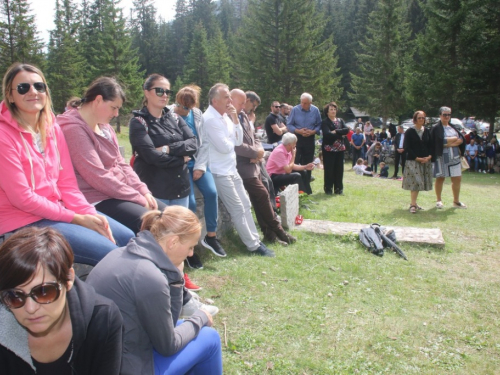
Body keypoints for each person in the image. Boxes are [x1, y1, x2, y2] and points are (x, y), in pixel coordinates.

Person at [0, 63, 133, 265]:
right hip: (22, 221)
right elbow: (22, 198)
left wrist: (89, 214)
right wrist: (76, 218)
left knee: (127, 237)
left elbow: (67, 183)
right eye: (23, 88)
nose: (33, 92)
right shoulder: (4, 135)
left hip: (57, 210)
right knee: (111, 255)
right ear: (10, 96)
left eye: (39, 86)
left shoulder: (51, 127)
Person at [86, 206, 222, 375]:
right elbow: (168, 346)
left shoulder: (121, 253)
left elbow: (167, 327)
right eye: (190, 247)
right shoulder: (149, 276)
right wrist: (200, 317)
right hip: (126, 367)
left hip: (102, 361)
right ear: (172, 242)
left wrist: (175, 281)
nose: (190, 253)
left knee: (189, 332)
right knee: (210, 338)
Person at [0, 226, 123, 374]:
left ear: (68, 279)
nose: (30, 308)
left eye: (43, 292)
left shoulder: (102, 319)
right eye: (15, 296)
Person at [58, 77, 166, 234]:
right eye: (113, 108)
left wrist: (143, 191)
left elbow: (121, 164)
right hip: (97, 198)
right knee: (156, 225)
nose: (116, 114)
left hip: (119, 193)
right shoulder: (74, 130)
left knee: (171, 217)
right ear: (98, 100)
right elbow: (96, 175)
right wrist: (137, 197)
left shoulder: (105, 128)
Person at [203, 83, 275, 257]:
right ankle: (252, 246)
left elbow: (237, 141)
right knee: (236, 207)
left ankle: (256, 240)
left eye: (229, 96)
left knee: (245, 204)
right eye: (226, 97)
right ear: (215, 100)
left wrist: (235, 120)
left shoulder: (226, 117)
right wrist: (231, 138)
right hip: (219, 171)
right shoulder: (210, 119)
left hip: (231, 168)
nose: (229, 100)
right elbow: (225, 147)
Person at [171, 85, 226, 268]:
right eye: (183, 107)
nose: (186, 111)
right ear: (177, 102)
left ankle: (211, 236)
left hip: (199, 162)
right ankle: (189, 249)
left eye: (190, 107)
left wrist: (201, 167)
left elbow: (203, 143)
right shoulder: (169, 114)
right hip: (180, 164)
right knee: (191, 204)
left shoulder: (197, 115)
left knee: (211, 193)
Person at [232, 89, 296, 245]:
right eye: (252, 105)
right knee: (261, 194)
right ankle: (279, 231)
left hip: (254, 162)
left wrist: (259, 151)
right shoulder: (231, 117)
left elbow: (254, 137)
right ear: (245, 100)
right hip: (242, 164)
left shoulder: (244, 117)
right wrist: (255, 153)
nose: (253, 109)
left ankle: (270, 235)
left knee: (262, 194)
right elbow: (235, 144)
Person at [129, 74, 197, 207]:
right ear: (147, 93)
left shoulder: (176, 118)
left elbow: (193, 144)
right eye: (159, 91)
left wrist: (168, 149)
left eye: (167, 92)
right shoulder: (138, 122)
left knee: (180, 228)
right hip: (156, 192)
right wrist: (181, 159)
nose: (164, 95)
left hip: (181, 191)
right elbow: (152, 157)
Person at [430, 106, 466, 209]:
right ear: (440, 115)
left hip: (454, 157)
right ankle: (439, 200)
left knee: (457, 178)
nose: (447, 116)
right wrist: (453, 140)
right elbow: (437, 143)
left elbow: (460, 140)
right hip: (441, 157)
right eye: (444, 115)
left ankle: (456, 201)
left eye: (448, 115)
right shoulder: (436, 128)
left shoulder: (453, 127)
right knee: (440, 178)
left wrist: (449, 142)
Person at [287, 93, 322, 193]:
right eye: (301, 102)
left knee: (308, 163)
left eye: (305, 103)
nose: (302, 104)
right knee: (295, 161)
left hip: (310, 138)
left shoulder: (315, 110)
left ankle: (307, 187)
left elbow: (319, 124)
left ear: (310, 103)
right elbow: (289, 124)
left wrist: (313, 131)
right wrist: (299, 131)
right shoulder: (295, 109)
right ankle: (295, 186)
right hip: (297, 138)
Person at [402, 111, 433, 213]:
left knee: (420, 183)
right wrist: (416, 158)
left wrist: (429, 157)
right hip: (413, 161)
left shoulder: (427, 131)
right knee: (415, 182)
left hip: (425, 160)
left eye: (423, 118)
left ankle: (414, 203)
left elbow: (430, 145)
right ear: (415, 119)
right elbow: (407, 147)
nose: (421, 120)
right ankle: (412, 205)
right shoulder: (410, 132)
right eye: (419, 118)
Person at [321, 101, 348, 195]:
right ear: (327, 112)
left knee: (339, 169)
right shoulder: (325, 122)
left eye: (334, 109)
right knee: (329, 169)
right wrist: (340, 135)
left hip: (340, 149)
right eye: (331, 109)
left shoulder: (340, 121)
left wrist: (336, 131)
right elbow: (327, 134)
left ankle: (338, 189)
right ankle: (328, 188)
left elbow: (347, 130)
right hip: (329, 149)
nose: (333, 111)